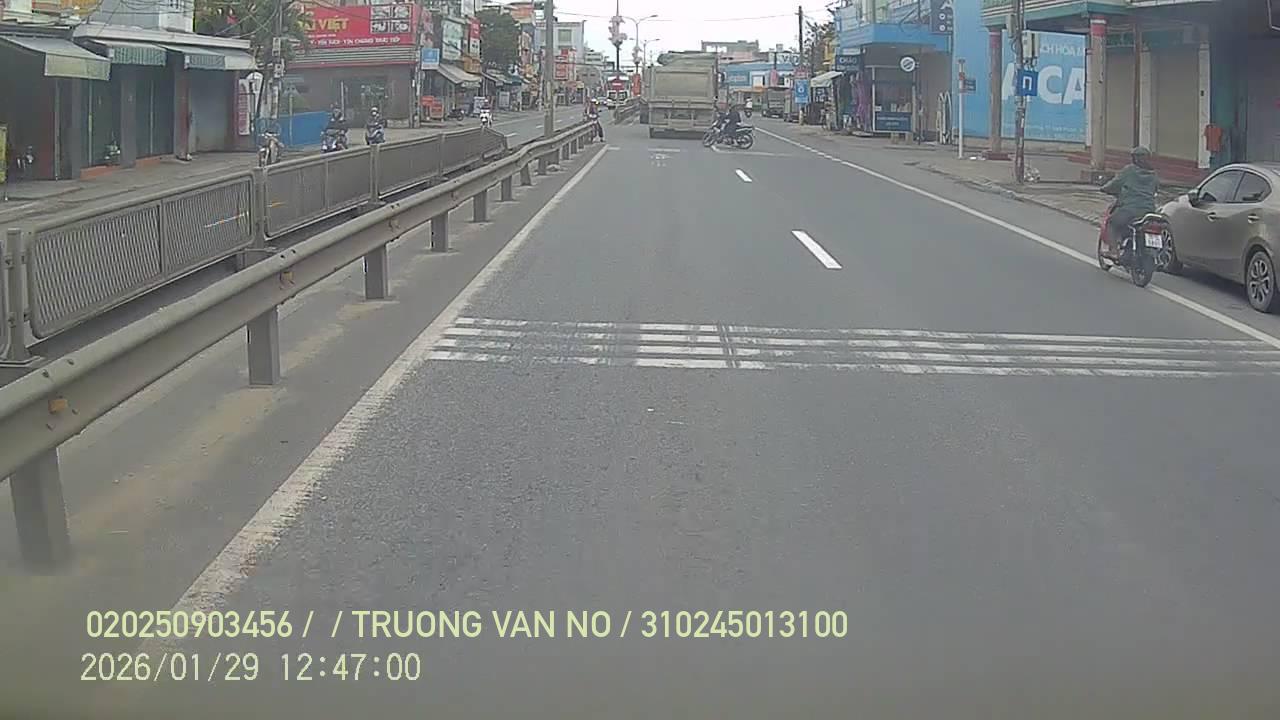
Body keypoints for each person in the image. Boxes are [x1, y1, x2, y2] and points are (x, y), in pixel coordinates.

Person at [1100, 146, 1158, 258]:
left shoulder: (1129, 170)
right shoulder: (1153, 173)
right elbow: (1156, 188)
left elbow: (1115, 183)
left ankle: (1114, 251)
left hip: (1130, 209)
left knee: (1111, 223)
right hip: (1149, 211)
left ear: (1134, 158)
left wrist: (1104, 188)